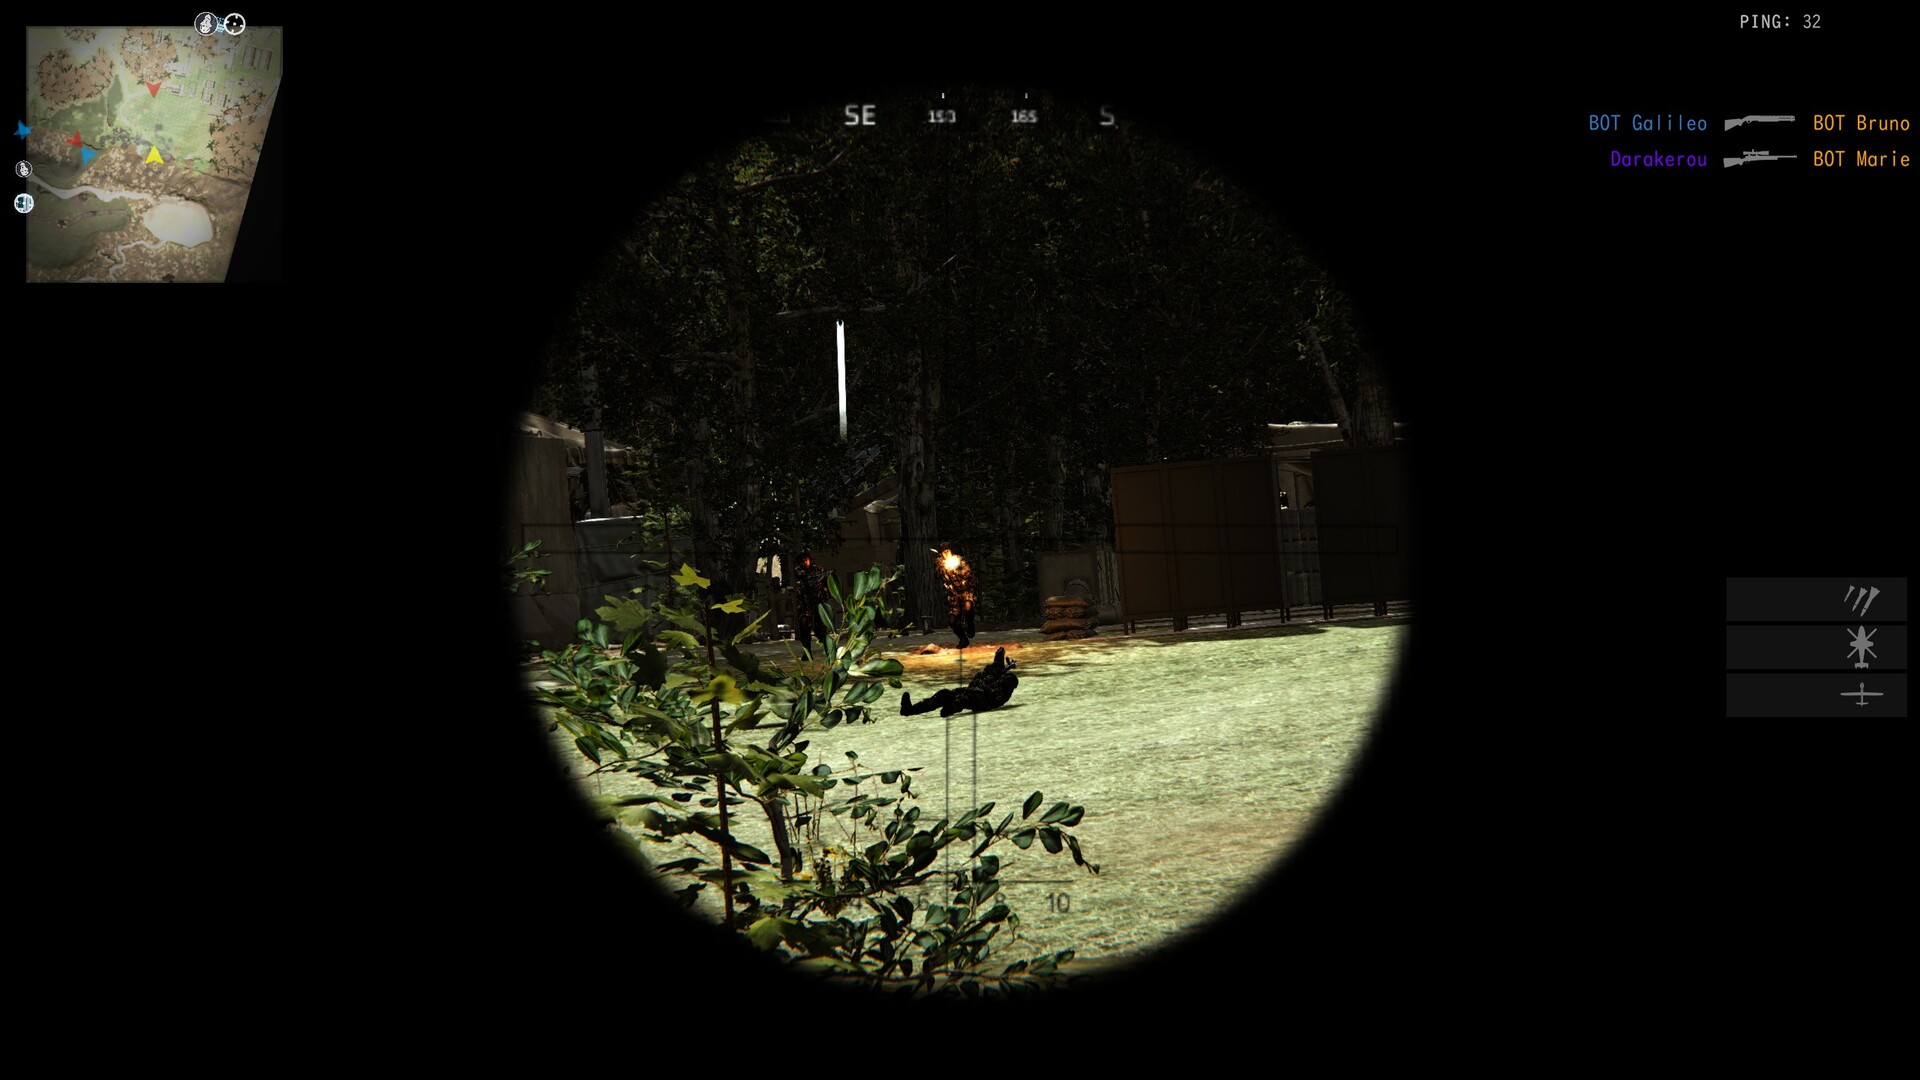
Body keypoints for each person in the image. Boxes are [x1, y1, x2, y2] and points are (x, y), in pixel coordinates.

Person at [792, 551, 830, 654]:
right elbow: (801, 575)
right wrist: (815, 577)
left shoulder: (818, 569)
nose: (806, 561)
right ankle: (807, 652)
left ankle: (827, 648)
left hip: (818, 602)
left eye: (807, 559)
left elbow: (825, 578)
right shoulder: (799, 570)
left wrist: (825, 576)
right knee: (804, 628)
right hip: (806, 603)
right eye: (803, 560)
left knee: (820, 627)